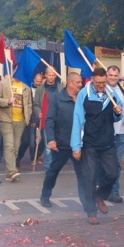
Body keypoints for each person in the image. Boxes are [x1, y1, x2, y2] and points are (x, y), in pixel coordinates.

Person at [71, 67, 122, 224]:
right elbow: (77, 119)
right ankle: (91, 212)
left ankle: (100, 196)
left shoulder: (112, 94)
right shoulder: (84, 94)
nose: (101, 85)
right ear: (92, 79)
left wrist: (118, 112)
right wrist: (76, 146)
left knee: (113, 173)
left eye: (103, 82)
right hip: (90, 143)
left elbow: (117, 118)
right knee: (90, 177)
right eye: (98, 83)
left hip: (107, 142)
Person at [40, 72, 86, 208]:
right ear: (70, 83)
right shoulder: (56, 98)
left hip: (78, 144)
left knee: (83, 175)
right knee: (53, 171)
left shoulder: (82, 98)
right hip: (62, 143)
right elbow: (49, 120)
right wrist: (51, 139)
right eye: (78, 82)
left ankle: (86, 203)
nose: (80, 84)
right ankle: (45, 196)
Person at [103, 65, 124, 203]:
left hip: (120, 133)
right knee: (105, 164)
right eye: (110, 75)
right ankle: (103, 190)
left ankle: (114, 191)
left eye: (115, 75)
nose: (113, 78)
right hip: (105, 133)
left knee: (116, 164)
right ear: (106, 75)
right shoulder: (102, 89)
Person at [0, 73, 33, 182]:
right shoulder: (4, 83)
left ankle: (9, 172)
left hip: (20, 121)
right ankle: (12, 171)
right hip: (6, 119)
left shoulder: (26, 87)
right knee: (9, 145)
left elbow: (29, 104)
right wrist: (7, 101)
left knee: (16, 147)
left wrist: (28, 117)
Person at [37, 66, 64, 170]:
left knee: (58, 144)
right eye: (50, 75)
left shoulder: (61, 88)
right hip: (46, 120)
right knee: (48, 145)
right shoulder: (40, 89)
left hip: (59, 120)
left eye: (53, 75)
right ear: (46, 75)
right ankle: (48, 167)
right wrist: (38, 112)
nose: (51, 77)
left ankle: (55, 165)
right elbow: (36, 104)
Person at [17, 72, 43, 167]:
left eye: (40, 81)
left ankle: (37, 154)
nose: (38, 83)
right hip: (31, 118)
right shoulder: (28, 89)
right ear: (33, 80)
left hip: (41, 116)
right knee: (29, 140)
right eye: (37, 81)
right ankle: (22, 158)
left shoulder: (43, 90)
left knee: (45, 138)